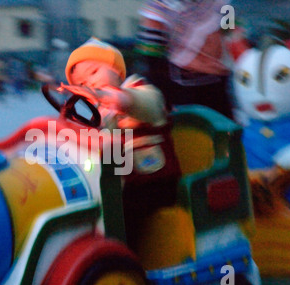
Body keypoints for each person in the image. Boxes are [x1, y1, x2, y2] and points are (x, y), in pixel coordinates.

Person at [63, 37, 182, 250]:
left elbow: (150, 105)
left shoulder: (137, 90)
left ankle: (124, 255)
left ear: (116, 70)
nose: (89, 84)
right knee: (87, 202)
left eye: (93, 73)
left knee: (122, 208)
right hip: (122, 183)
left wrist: (118, 99)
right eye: (81, 84)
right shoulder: (101, 115)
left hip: (154, 179)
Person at [135, 0, 234, 119]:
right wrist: (165, 102)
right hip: (184, 91)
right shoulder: (159, 8)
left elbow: (229, 34)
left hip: (220, 83)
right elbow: (152, 60)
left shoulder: (220, 4)